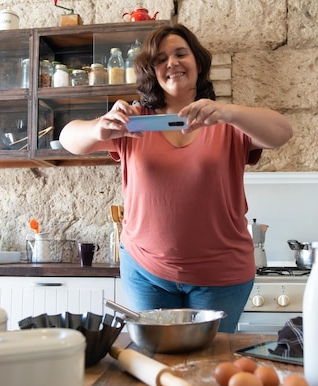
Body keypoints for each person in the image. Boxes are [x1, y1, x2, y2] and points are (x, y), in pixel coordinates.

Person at [59, 24, 292, 332]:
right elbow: (67, 139)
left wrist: (228, 112)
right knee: (156, 361)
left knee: (210, 368)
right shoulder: (133, 122)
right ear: (151, 70)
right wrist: (99, 127)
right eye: (161, 58)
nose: (172, 63)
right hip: (146, 270)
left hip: (222, 275)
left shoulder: (225, 120)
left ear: (197, 62)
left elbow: (282, 133)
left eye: (181, 53)